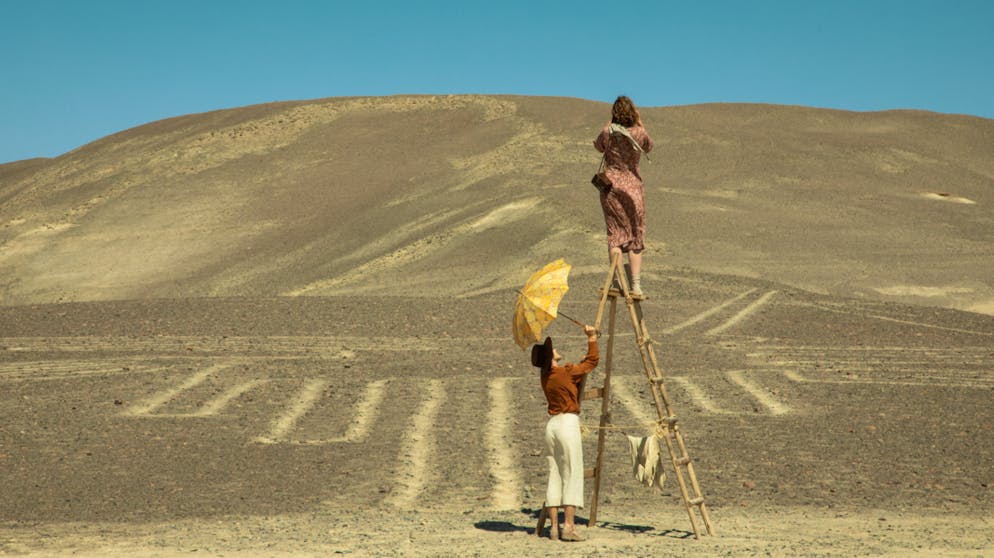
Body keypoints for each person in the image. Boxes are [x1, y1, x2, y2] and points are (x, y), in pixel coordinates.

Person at [532, 325, 599, 542]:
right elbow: (592, 363)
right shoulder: (565, 372)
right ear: (551, 358)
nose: (556, 349)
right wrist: (592, 338)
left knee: (555, 473)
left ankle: (553, 527)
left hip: (552, 426)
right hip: (567, 424)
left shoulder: (548, 376)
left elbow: (575, 376)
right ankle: (568, 526)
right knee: (572, 473)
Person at [593, 95, 654, 296]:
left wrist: (610, 123)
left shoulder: (607, 132)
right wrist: (639, 121)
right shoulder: (639, 133)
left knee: (615, 235)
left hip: (611, 189)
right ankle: (636, 285)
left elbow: (598, 146)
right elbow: (649, 147)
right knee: (635, 236)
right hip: (633, 190)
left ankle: (617, 281)